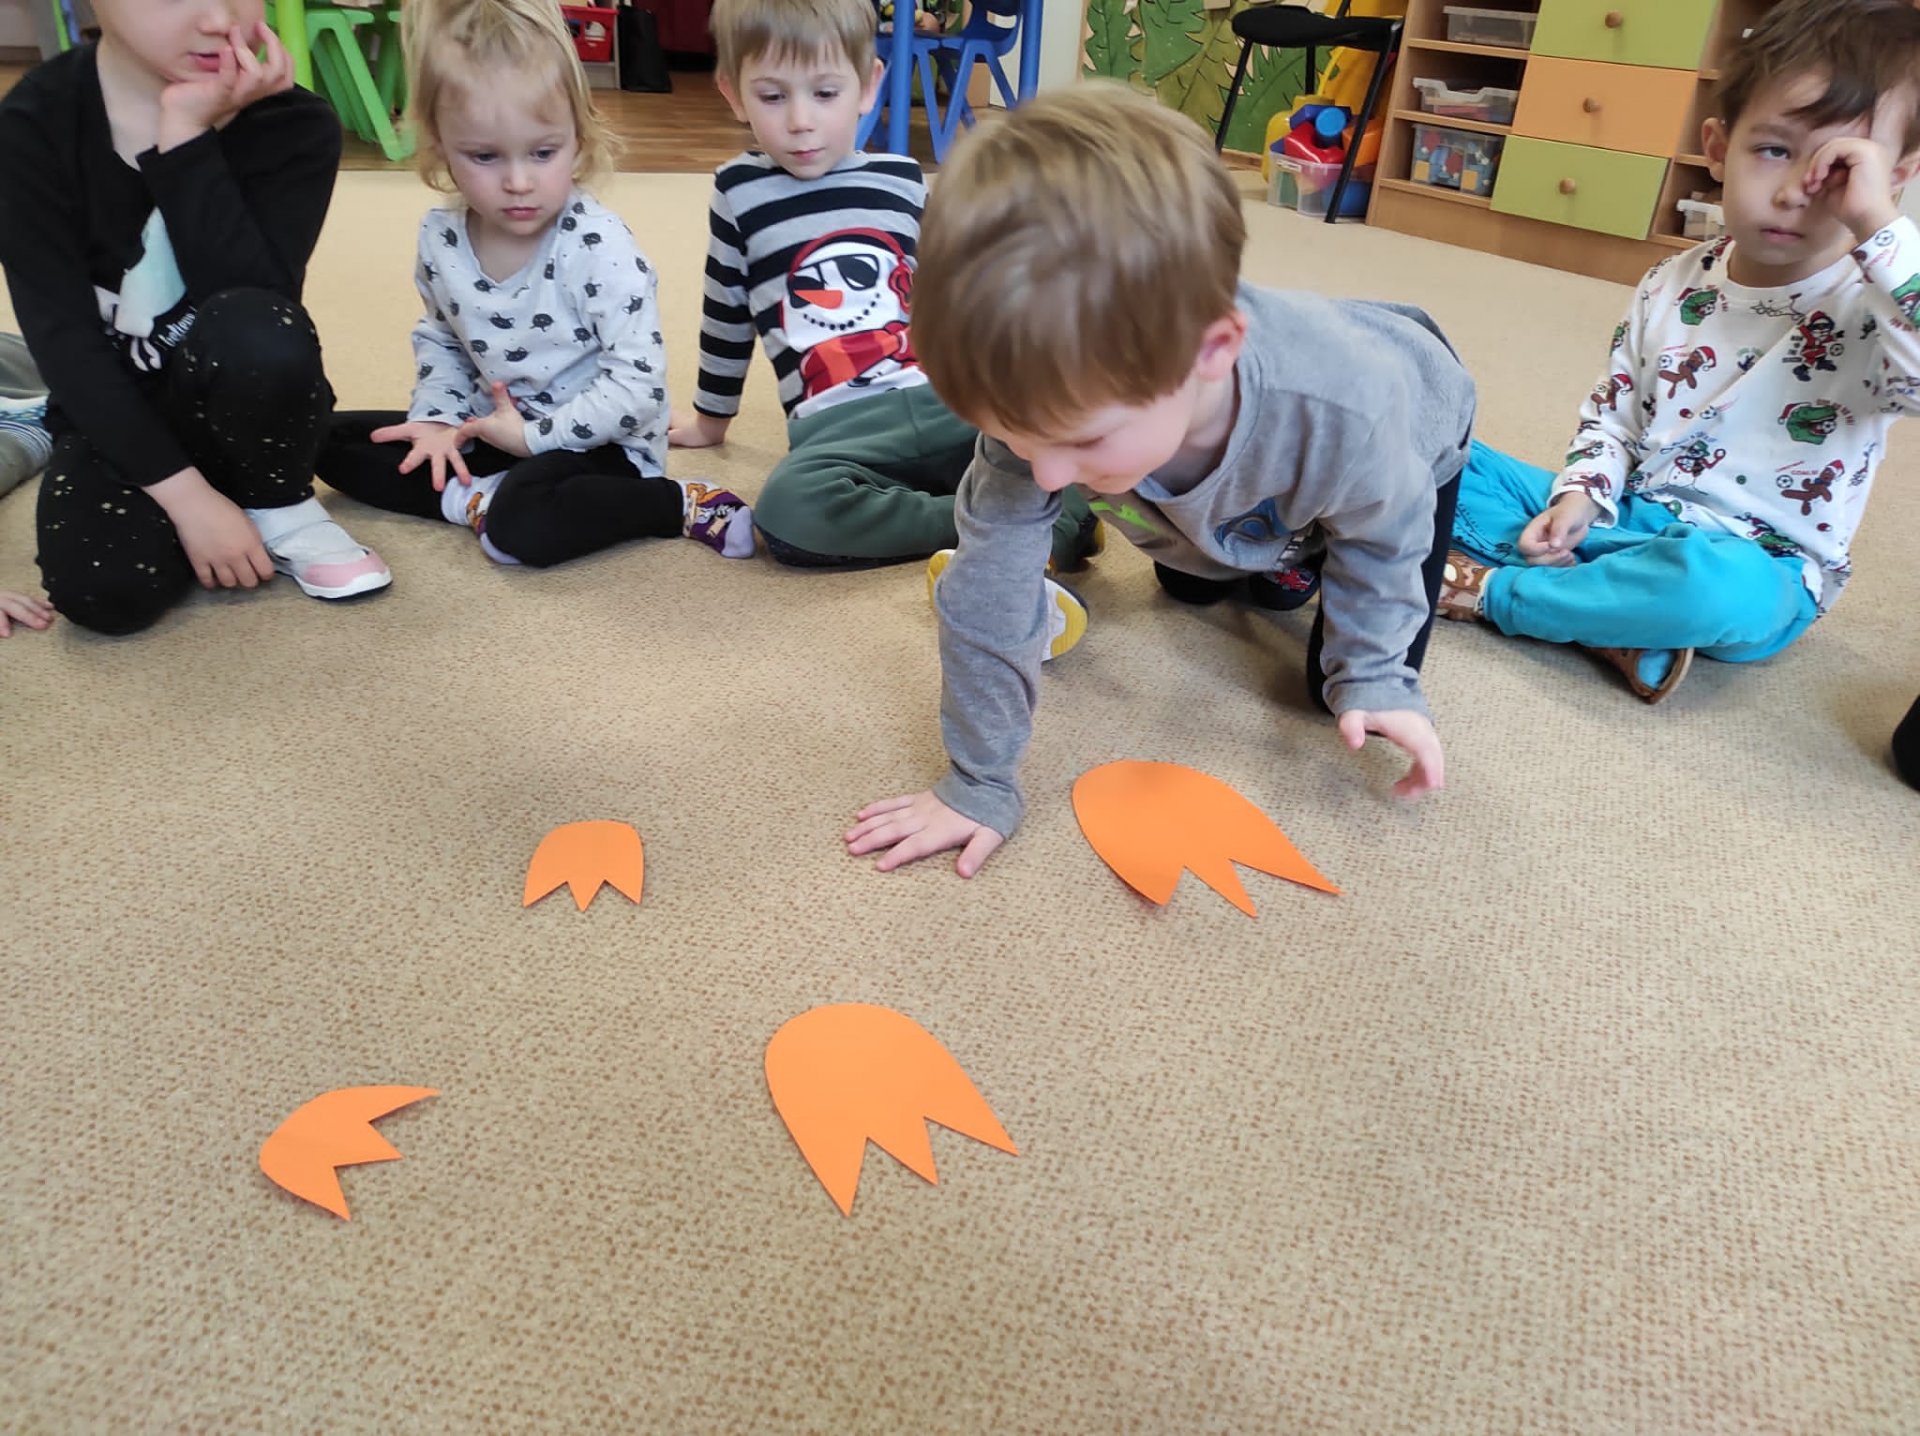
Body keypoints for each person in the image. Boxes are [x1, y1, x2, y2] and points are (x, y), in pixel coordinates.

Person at [847, 84, 1476, 877]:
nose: (1047, 473)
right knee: (1193, 583)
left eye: (1081, 440)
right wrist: (980, 780)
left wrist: (1379, 673)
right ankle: (1280, 557)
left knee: (1340, 691)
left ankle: (1303, 558)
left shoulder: (1349, 410)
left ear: (1209, 352)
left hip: (1409, 449)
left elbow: (1386, 535)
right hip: (1250, 450)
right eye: (1014, 435)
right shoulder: (1048, 405)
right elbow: (987, 590)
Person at [1440, 0, 1920, 702]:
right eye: (1774, 151)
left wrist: (1880, 226)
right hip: (1630, 517)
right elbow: (1614, 415)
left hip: (1760, 564)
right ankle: (1610, 615)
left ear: (1894, 178)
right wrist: (1580, 497)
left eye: (1840, 171)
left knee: (1716, 590)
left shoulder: (1880, 299)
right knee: (1441, 449)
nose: (1794, 192)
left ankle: (1498, 592)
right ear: (1719, 148)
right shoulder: (1673, 280)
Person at [668, 0, 1101, 597]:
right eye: (772, 96)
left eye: (825, 93)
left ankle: (1035, 517)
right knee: (787, 512)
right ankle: (991, 523)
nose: (800, 120)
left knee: (1053, 439)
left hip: (947, 400)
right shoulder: (738, 190)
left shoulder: (903, 179)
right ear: (733, 93)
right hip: (841, 430)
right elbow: (725, 310)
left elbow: (954, 291)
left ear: (868, 85)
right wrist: (710, 420)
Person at [0, 0, 392, 636]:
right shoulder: (33, 122)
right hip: (113, 413)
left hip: (247, 400)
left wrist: (185, 137)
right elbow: (64, 342)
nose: (217, 20)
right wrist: (187, 500)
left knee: (257, 328)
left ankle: (279, 503)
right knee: (102, 594)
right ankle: (225, 492)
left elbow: (259, 316)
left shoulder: (294, 124)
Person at [315, 0, 753, 566]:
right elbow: (443, 338)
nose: (519, 181)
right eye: (485, 156)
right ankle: (480, 499)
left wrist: (533, 439)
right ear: (440, 144)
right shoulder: (440, 237)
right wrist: (436, 418)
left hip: (600, 444)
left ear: (579, 136)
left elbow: (637, 388)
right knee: (325, 440)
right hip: (494, 432)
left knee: (524, 529)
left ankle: (674, 503)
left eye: (543, 153)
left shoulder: (597, 244)